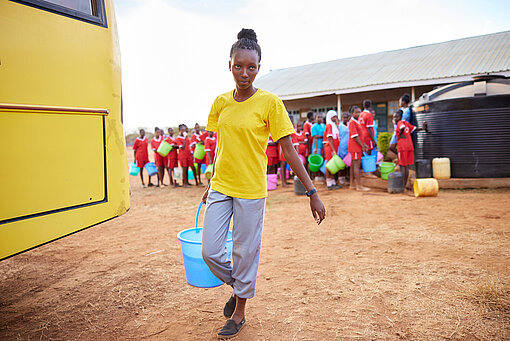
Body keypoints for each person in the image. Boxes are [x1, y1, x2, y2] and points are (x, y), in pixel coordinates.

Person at [200, 28, 325, 339]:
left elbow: (288, 150)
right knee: (210, 252)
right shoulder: (220, 103)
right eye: (238, 66)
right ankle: (238, 285)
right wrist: (209, 182)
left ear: (259, 67)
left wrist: (312, 192)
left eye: (251, 67)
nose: (244, 73)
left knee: (245, 252)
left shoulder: (270, 102)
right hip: (221, 186)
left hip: (251, 191)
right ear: (228, 64)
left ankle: (239, 313)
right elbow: (221, 146)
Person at [390, 110, 427, 187]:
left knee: (402, 166)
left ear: (400, 117)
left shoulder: (400, 123)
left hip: (402, 147)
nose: (394, 119)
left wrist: (400, 134)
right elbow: (415, 129)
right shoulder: (407, 123)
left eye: (396, 117)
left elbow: (402, 127)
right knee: (406, 166)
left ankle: (402, 185)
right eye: (394, 117)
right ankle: (404, 184)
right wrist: (423, 128)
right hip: (409, 147)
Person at [348, 106, 370, 191]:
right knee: (356, 165)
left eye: (359, 112)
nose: (358, 114)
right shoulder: (352, 122)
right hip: (355, 146)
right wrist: (362, 146)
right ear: (352, 113)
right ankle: (359, 185)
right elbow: (355, 136)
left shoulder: (356, 122)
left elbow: (359, 136)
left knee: (353, 165)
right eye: (356, 112)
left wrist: (364, 144)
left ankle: (352, 184)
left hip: (357, 146)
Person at [323, 110, 341, 190]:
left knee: (333, 165)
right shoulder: (329, 125)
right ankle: (329, 182)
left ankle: (333, 181)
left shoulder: (334, 125)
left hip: (334, 148)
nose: (335, 118)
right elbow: (330, 138)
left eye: (336, 116)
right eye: (334, 117)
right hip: (330, 148)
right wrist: (333, 150)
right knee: (329, 164)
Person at [337, 112, 350, 185]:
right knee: (341, 163)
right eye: (344, 117)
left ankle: (346, 177)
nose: (346, 119)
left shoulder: (349, 124)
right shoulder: (340, 126)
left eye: (347, 117)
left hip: (349, 147)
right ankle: (340, 178)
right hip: (342, 146)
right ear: (342, 118)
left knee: (348, 163)